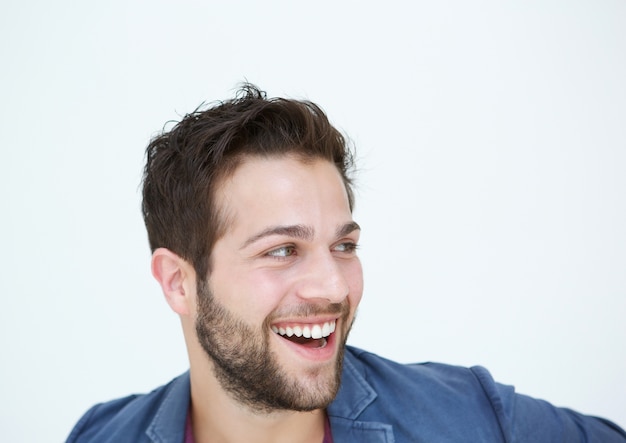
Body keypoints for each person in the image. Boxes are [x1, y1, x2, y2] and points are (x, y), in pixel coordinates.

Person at [67, 84, 626, 443]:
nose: (333, 286)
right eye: (281, 250)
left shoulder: (474, 420)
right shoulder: (100, 435)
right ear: (178, 282)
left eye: (344, 246)